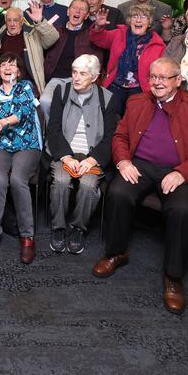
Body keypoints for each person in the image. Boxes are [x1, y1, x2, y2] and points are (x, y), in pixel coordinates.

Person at [92, 57, 188, 315]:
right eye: (153, 77)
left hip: (180, 169)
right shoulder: (137, 101)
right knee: (117, 192)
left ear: (178, 81)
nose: (157, 82)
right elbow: (120, 136)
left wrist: (183, 173)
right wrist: (123, 162)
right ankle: (116, 253)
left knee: (183, 210)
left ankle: (173, 276)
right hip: (141, 164)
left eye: (164, 77)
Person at [46, 55, 119, 256]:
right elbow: (52, 129)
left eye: (83, 74)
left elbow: (111, 135)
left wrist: (92, 159)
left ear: (94, 77)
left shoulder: (108, 98)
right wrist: (66, 157)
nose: (76, 78)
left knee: (88, 185)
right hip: (64, 152)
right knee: (60, 180)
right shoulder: (62, 91)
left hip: (92, 154)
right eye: (74, 72)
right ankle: (59, 228)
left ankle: (78, 228)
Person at [0, 52, 41, 265]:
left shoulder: (25, 87)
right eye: (4, 64)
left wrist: (3, 122)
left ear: (18, 70)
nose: (8, 67)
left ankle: (27, 236)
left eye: (13, 64)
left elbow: (23, 112)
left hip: (26, 145)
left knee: (17, 179)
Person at [89, 3, 166, 115]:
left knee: (134, 122)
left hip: (141, 89)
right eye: (134, 16)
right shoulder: (119, 34)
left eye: (143, 17)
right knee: (109, 119)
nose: (138, 20)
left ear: (149, 22)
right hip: (115, 85)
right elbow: (98, 39)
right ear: (129, 21)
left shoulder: (157, 44)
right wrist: (98, 26)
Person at [0, 3, 60, 95]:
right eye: (9, 20)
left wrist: (40, 21)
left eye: (15, 20)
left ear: (22, 21)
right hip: (2, 81)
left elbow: (53, 37)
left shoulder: (33, 34)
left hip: (27, 81)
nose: (12, 24)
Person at [42, 0, 106, 89]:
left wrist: (99, 27)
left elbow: (97, 61)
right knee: (45, 101)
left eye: (82, 9)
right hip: (54, 79)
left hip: (80, 82)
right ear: (68, 11)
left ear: (87, 15)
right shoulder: (55, 31)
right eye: (74, 8)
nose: (78, 11)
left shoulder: (92, 34)